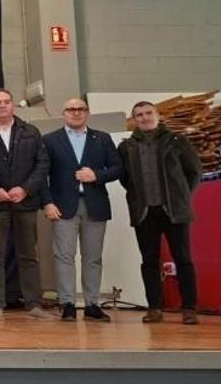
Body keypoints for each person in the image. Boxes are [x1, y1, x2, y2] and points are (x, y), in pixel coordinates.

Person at [118, 101, 203, 325]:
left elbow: (194, 172)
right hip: (145, 212)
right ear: (134, 119)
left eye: (148, 113)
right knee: (149, 261)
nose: (144, 118)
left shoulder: (178, 141)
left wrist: (181, 197)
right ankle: (154, 308)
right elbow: (125, 179)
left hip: (174, 210)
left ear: (157, 115)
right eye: (139, 115)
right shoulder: (127, 147)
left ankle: (189, 309)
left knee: (183, 259)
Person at [0, 88, 52, 320]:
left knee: (28, 255)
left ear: (13, 106)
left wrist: (25, 189)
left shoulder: (31, 132)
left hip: (25, 203)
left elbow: (42, 165)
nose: (3, 105)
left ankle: (34, 304)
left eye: (7, 102)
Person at [42, 98, 122, 322]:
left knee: (93, 257)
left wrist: (96, 175)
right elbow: (41, 175)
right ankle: (67, 303)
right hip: (62, 205)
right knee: (64, 256)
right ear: (63, 113)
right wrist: (47, 202)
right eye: (71, 109)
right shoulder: (50, 140)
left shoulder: (102, 138)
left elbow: (117, 168)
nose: (76, 113)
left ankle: (92, 304)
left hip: (95, 204)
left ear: (87, 113)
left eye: (81, 109)